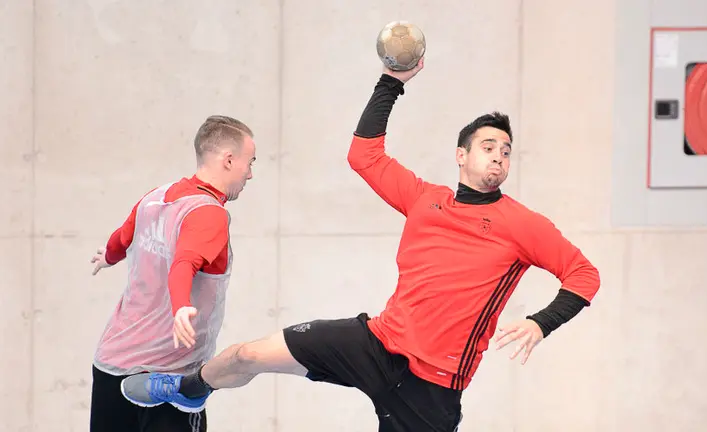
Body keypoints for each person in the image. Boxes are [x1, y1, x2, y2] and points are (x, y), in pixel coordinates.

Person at [119, 58, 601, 432]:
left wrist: (542, 322)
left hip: (431, 386)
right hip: (376, 341)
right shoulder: (423, 199)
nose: (499, 156)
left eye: (506, 151)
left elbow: (584, 275)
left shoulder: (522, 224)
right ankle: (188, 388)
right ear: (461, 155)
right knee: (247, 355)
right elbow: (364, 154)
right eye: (488, 147)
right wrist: (392, 80)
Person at [88, 115, 256, 432]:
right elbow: (184, 264)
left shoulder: (155, 197)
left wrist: (108, 257)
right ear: (229, 159)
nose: (250, 174)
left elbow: (121, 238)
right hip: (165, 378)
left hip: (111, 364)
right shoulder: (209, 213)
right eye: (249, 163)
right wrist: (180, 307)